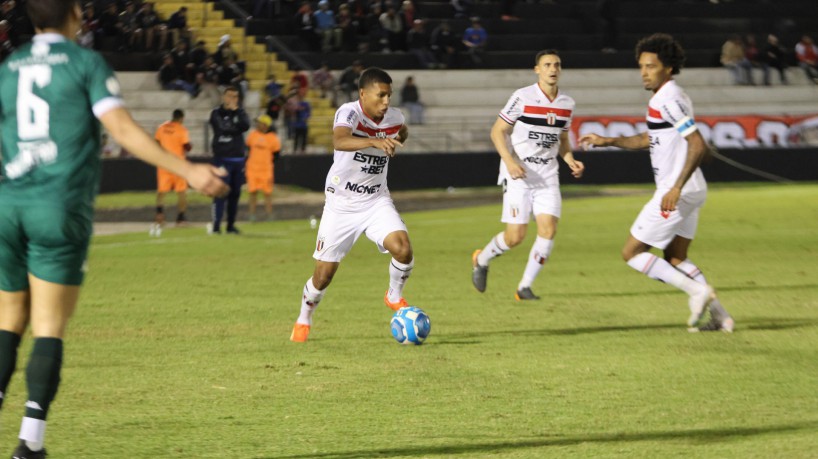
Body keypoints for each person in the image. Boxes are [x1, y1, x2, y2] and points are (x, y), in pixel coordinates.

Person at [0, 2, 228, 458]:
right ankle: (31, 442)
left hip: (8, 205)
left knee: (7, 323)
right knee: (48, 326)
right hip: (57, 206)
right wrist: (188, 170)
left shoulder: (9, 65)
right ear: (75, 14)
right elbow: (121, 130)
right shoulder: (85, 62)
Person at [578, 33, 734, 332]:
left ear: (669, 68)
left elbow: (698, 144)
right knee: (676, 257)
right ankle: (721, 317)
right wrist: (607, 140)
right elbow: (650, 137)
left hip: (678, 190)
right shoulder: (667, 97)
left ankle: (697, 292)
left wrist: (674, 187)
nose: (644, 73)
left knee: (632, 253)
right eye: (641, 66)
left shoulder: (669, 98)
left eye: (650, 66)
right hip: (694, 189)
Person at [290, 67, 410, 342]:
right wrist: (376, 142)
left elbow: (402, 131)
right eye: (381, 95)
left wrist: (395, 142)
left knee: (403, 249)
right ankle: (304, 317)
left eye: (389, 95)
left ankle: (393, 296)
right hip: (341, 204)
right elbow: (339, 140)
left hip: (376, 200)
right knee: (323, 276)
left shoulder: (394, 117)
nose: (386, 101)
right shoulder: (349, 112)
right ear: (363, 94)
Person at [471, 50, 584, 301]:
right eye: (547, 65)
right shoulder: (522, 97)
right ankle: (481, 259)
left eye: (557, 64)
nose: (553, 69)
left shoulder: (567, 104)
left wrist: (570, 160)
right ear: (537, 70)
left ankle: (524, 287)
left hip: (548, 176)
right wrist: (510, 162)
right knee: (516, 237)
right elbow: (497, 131)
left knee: (548, 229)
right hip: (519, 175)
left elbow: (563, 139)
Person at [208, 86, 250, 234]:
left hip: (238, 160)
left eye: (235, 97)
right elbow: (222, 128)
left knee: (235, 194)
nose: (232, 99)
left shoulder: (240, 113)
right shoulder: (216, 113)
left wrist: (236, 113)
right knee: (220, 192)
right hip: (222, 159)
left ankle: (230, 225)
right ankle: (216, 226)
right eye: (229, 96)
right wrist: (235, 126)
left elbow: (245, 126)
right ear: (224, 97)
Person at [151, 109, 193, 236]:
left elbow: (156, 142)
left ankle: (159, 216)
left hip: (164, 163)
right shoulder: (182, 129)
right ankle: (181, 218)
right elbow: (187, 146)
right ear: (181, 118)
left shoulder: (161, 127)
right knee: (181, 192)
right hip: (178, 164)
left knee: (162, 191)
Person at [246, 115, 281, 221]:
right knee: (252, 192)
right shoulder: (252, 135)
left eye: (260, 123)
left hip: (266, 169)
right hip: (252, 168)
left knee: (267, 193)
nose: (257, 124)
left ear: (265, 125)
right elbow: (247, 149)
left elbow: (276, 155)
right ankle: (252, 215)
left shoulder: (273, 138)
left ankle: (269, 215)